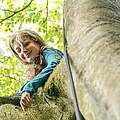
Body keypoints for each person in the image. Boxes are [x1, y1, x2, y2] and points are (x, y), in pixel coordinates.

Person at [9, 29, 63, 112]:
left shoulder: (48, 52)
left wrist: (28, 89)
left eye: (26, 44)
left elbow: (56, 63)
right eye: (19, 50)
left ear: (37, 42)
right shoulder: (34, 72)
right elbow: (22, 90)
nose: (23, 50)